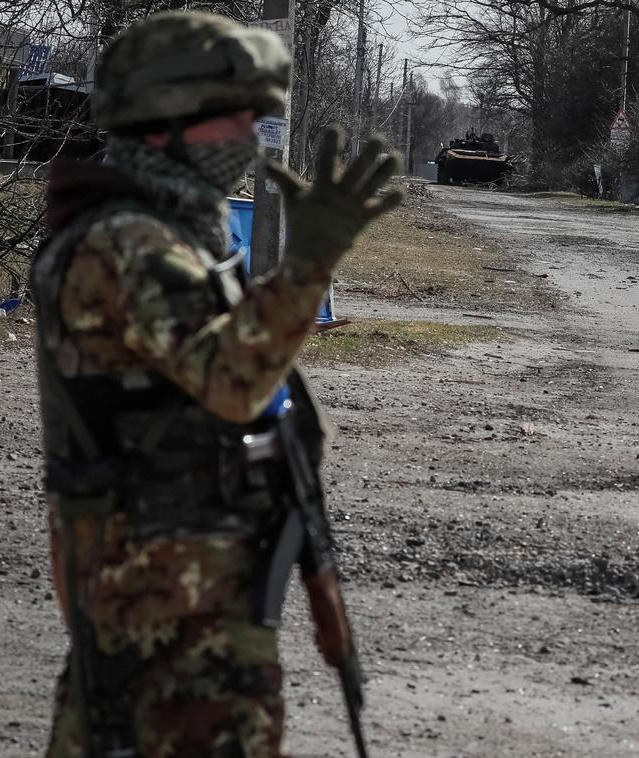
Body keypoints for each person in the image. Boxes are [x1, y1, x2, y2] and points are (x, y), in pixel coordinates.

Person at [35, 10, 402, 756]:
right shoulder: (126, 241)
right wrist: (308, 265)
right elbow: (231, 380)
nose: (247, 132)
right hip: (158, 587)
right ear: (165, 120)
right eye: (230, 115)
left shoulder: (174, 230)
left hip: (186, 575)